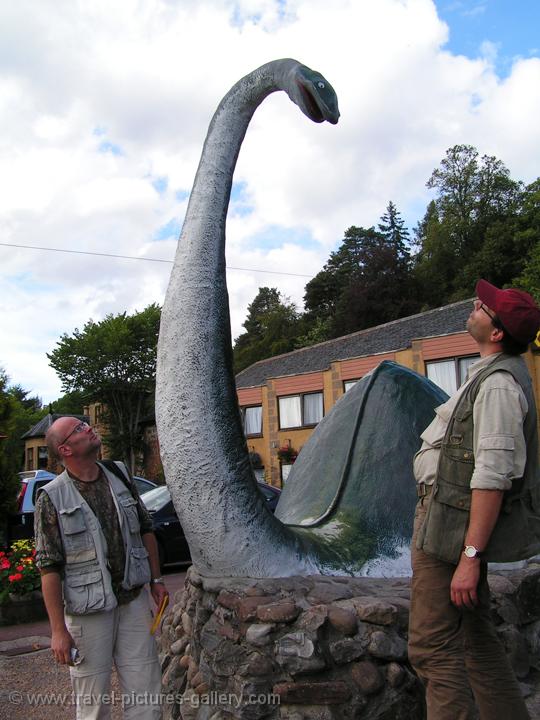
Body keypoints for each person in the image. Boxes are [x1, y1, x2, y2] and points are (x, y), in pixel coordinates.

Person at [408, 279, 540, 720]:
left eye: (487, 306)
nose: (477, 304)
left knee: (431, 647)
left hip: (450, 531)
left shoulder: (500, 385)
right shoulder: (488, 373)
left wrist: (469, 556)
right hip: (449, 523)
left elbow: (493, 477)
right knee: (475, 638)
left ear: (498, 332)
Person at [34, 416, 168, 719]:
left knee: (147, 692)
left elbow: (145, 529)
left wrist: (156, 581)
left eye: (85, 424)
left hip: (132, 602)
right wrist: (58, 630)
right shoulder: (51, 497)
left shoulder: (119, 473)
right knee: (93, 703)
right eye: (79, 429)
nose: (88, 427)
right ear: (66, 449)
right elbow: (49, 568)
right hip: (88, 612)